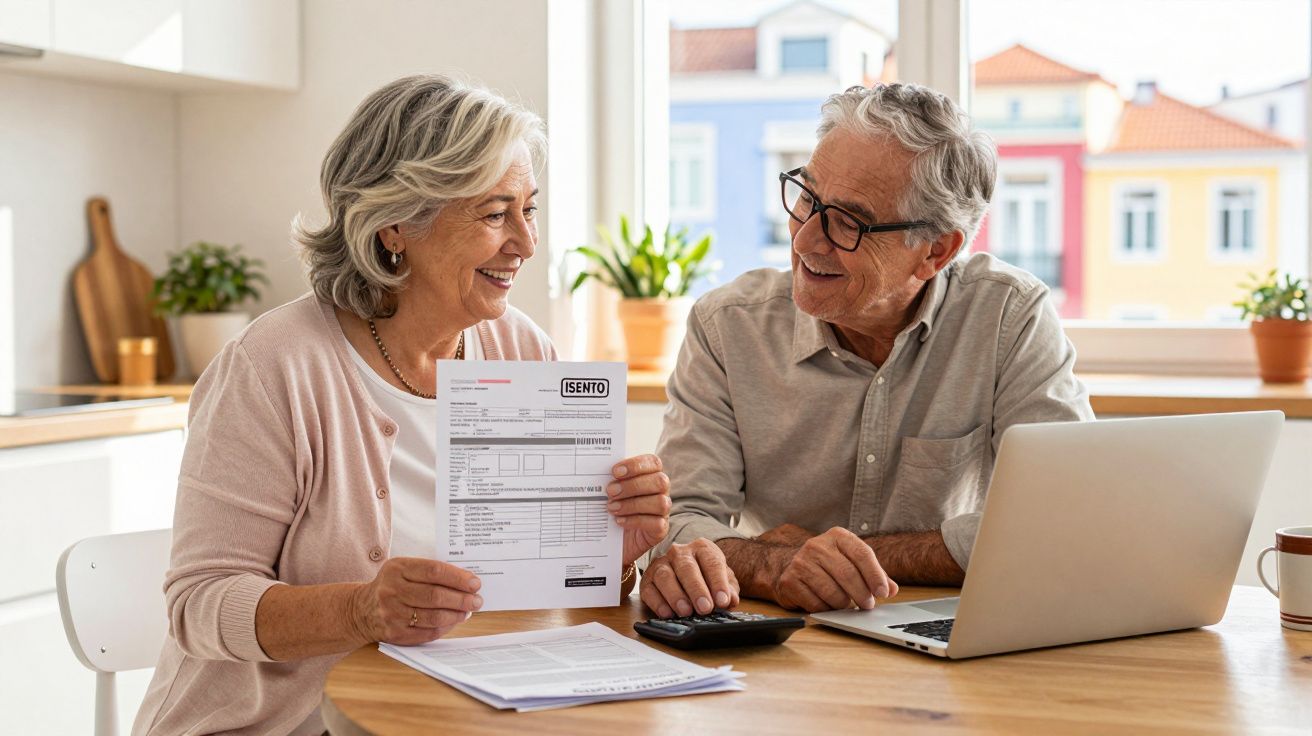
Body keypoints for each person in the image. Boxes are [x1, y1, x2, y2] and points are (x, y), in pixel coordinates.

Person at [134, 75, 682, 735]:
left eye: (528, 210)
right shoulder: (275, 366)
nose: (525, 243)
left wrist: (607, 556)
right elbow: (199, 605)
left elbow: (539, 596)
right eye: (494, 214)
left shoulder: (521, 350)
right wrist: (360, 610)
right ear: (396, 224)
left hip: (455, 717)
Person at [639, 82, 1094, 619]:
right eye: (807, 198)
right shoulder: (727, 326)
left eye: (849, 222)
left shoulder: (1008, 317)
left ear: (936, 250)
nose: (805, 240)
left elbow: (1065, 515)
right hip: (784, 634)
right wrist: (777, 565)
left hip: (946, 628)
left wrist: (840, 558)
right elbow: (679, 521)